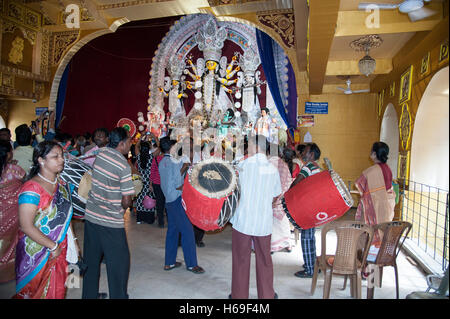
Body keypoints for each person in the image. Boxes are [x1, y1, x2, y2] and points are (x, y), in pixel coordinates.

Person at [14, 141, 78, 298]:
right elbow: (26, 226)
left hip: (59, 247)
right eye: (55, 157)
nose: (61, 160)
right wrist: (52, 246)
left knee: (57, 290)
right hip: (35, 252)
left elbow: (66, 216)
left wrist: (73, 241)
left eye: (62, 156)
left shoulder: (61, 184)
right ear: (41, 160)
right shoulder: (31, 189)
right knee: (35, 291)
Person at [82, 127, 134, 299]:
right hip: (110, 222)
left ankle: (89, 295)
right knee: (119, 263)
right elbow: (126, 201)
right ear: (121, 143)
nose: (130, 145)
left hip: (91, 216)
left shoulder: (101, 153)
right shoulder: (123, 165)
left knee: (91, 261)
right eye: (129, 141)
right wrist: (125, 204)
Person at [229, 134, 281, 299]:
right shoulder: (272, 169)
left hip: (242, 220)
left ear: (255, 147)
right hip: (263, 222)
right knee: (265, 260)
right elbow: (275, 195)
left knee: (240, 259)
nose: (247, 149)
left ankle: (239, 296)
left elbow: (232, 191)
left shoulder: (241, 166)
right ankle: (266, 295)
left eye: (249, 146)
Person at [158, 136, 205, 274]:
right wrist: (185, 168)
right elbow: (178, 184)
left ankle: (169, 262)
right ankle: (192, 264)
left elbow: (167, 181)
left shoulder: (162, 162)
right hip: (177, 199)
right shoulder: (175, 161)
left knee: (172, 230)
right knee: (188, 231)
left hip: (168, 199)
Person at [355, 141, 395, 244]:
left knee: (371, 232)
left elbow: (361, 185)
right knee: (383, 230)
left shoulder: (371, 171)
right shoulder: (388, 169)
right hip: (387, 206)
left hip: (374, 205)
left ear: (374, 154)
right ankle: (378, 254)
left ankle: (368, 254)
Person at [291, 142, 322, 279]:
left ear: (312, 155)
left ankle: (310, 270)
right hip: (314, 205)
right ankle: (312, 264)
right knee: (310, 237)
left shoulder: (308, 167)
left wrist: (288, 194)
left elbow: (297, 181)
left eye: (306, 152)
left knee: (306, 237)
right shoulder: (317, 167)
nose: (303, 154)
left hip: (309, 207)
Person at [0, 141, 26, 283]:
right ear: (9, 154)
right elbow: (25, 180)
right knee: (10, 243)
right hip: (12, 213)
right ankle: (6, 274)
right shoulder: (14, 170)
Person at [268, 144, 294, 254]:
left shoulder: (268, 163)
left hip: (272, 198)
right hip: (283, 198)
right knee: (283, 223)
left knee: (272, 222)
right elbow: (286, 182)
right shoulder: (283, 164)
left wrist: (273, 199)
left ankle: (273, 246)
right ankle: (287, 244)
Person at [134, 137, 157, 224]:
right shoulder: (152, 157)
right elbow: (158, 147)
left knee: (140, 199)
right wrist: (151, 145)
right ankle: (149, 219)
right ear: (149, 149)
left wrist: (141, 137)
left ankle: (139, 219)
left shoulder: (138, 156)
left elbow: (136, 146)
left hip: (141, 182)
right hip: (149, 182)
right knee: (150, 199)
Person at [149, 136, 166, 228]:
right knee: (166, 202)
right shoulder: (166, 158)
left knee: (159, 203)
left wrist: (150, 184)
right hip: (165, 184)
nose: (153, 153)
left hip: (157, 184)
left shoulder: (155, 159)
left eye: (153, 151)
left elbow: (152, 173)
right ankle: (169, 220)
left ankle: (161, 222)